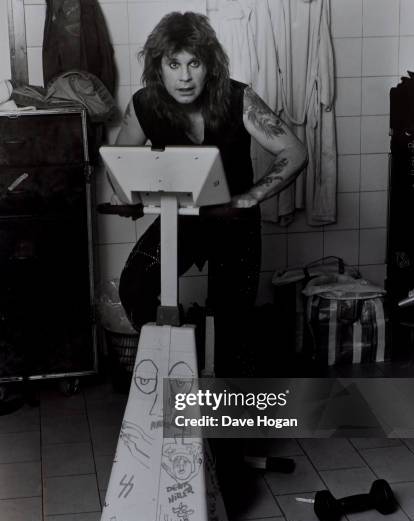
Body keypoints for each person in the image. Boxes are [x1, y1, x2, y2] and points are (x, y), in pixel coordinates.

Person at [113, 11, 307, 377]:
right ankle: (182, 366)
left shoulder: (238, 98)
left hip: (234, 223)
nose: (184, 77)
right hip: (180, 221)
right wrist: (132, 197)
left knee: (233, 326)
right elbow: (120, 164)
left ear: (210, 65)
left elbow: (295, 152)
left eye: (194, 63)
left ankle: (224, 410)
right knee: (135, 286)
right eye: (174, 64)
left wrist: (251, 196)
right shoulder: (143, 105)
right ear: (159, 67)